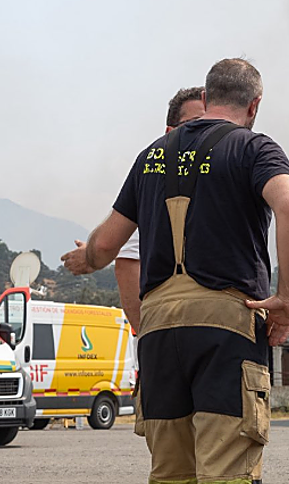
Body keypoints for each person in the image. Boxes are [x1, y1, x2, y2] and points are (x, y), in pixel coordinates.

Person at [61, 58, 289, 484]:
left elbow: (104, 245)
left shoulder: (151, 156)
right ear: (253, 104)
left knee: (169, 477)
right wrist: (288, 298)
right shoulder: (253, 148)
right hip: (225, 325)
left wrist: (84, 262)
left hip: (159, 332)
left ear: (207, 95)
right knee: (226, 479)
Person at [113, 86, 207, 335]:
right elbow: (125, 261)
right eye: (194, 125)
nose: (204, 135)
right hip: (167, 335)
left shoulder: (225, 181)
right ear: (169, 133)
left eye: (211, 125)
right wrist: (146, 330)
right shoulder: (151, 186)